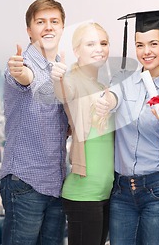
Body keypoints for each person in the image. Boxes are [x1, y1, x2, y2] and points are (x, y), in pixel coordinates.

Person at [96, 8, 159, 245]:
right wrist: (107, 102)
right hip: (122, 191)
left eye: (153, 44)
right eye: (140, 45)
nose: (146, 52)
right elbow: (113, 97)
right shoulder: (124, 81)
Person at [0, 0, 68, 245]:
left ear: (62, 28)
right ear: (29, 30)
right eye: (41, 22)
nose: (48, 27)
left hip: (56, 184)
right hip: (25, 183)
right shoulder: (23, 63)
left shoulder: (60, 67)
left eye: (54, 21)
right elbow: (24, 77)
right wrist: (19, 71)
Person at [51, 22, 114, 245]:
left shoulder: (102, 86)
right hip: (83, 195)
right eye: (90, 44)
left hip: (105, 194)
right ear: (77, 50)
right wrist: (57, 76)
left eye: (103, 43)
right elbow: (64, 92)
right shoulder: (73, 80)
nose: (99, 48)